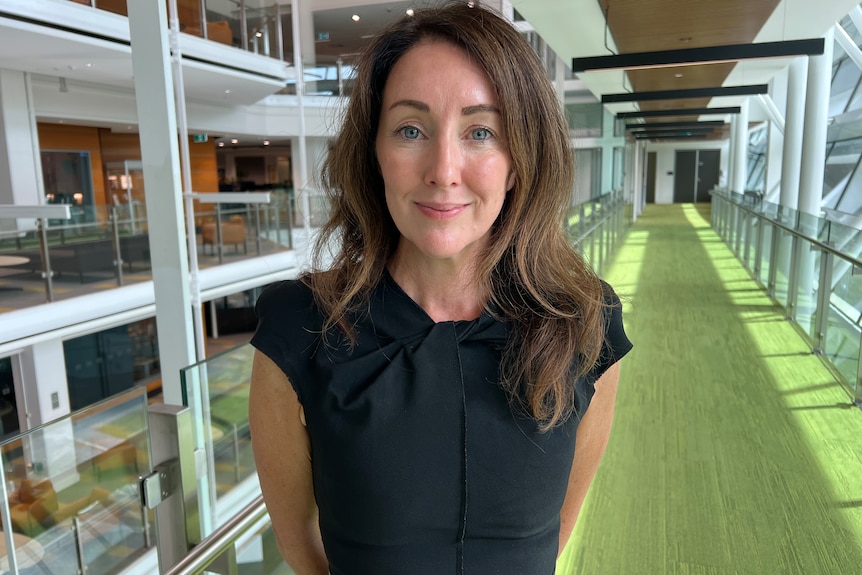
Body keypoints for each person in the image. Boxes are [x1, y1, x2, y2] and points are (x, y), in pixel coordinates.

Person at [248, 3, 632, 574]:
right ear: (374, 152)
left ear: (519, 158)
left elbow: (550, 540)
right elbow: (301, 550)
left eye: (480, 132)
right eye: (410, 130)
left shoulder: (583, 322)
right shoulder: (296, 330)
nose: (443, 169)